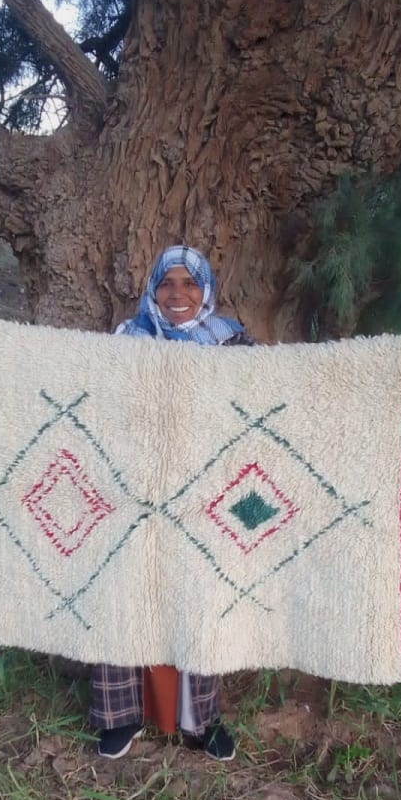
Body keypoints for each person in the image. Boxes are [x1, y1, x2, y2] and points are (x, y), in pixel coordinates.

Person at [91, 244, 253, 762]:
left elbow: (277, 389)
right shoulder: (126, 340)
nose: (178, 294)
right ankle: (119, 717)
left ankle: (201, 722)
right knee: (125, 593)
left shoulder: (232, 343)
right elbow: (91, 396)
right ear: (152, 290)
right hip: (136, 487)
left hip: (206, 492)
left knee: (199, 601)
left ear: (205, 290)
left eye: (190, 284)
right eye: (167, 283)